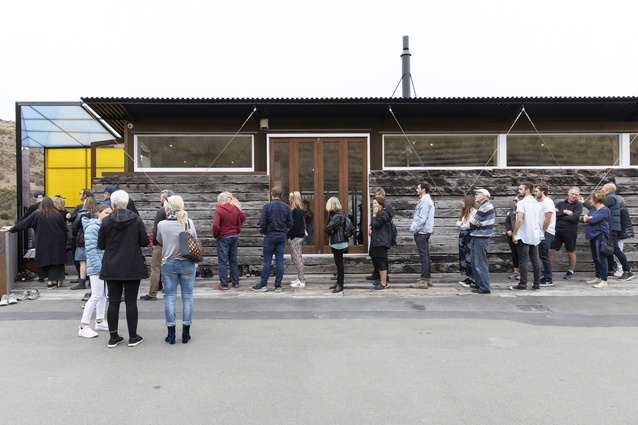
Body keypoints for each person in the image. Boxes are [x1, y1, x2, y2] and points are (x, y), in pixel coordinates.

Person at [98, 190, 149, 348]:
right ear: (127, 203)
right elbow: (144, 242)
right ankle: (133, 336)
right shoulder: (136, 220)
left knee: (113, 302)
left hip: (112, 265)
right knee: (131, 302)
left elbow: (101, 245)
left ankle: (113, 337)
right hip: (132, 265)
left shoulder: (106, 221)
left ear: (112, 204)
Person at [156, 195, 197, 344]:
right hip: (188, 263)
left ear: (168, 207)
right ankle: (186, 333)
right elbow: (195, 239)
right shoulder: (189, 222)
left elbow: (159, 240)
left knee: (170, 298)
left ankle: (171, 333)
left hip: (169, 263)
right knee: (187, 297)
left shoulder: (162, 224)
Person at [10, 197, 67, 289]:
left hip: (43, 241)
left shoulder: (37, 213)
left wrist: (13, 229)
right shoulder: (58, 214)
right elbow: (64, 229)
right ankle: (54, 280)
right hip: (57, 242)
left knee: (45, 260)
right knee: (56, 261)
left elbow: (25, 223)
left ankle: (48, 281)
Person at [582, 183, 633, 280]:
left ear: (606, 189)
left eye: (602, 188)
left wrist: (584, 202)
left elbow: (597, 206)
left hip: (611, 228)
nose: (601, 189)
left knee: (615, 250)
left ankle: (627, 270)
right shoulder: (612, 198)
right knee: (608, 250)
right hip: (610, 227)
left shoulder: (611, 198)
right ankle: (610, 270)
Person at [77, 205, 112, 338]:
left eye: (110, 213)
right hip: (97, 266)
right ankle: (83, 325)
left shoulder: (103, 227)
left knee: (103, 294)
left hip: (103, 265)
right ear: (99, 213)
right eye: (106, 213)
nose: (108, 215)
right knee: (96, 295)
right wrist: (99, 268)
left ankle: (100, 320)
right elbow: (91, 250)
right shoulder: (93, 227)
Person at [252, 186, 293, 293]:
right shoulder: (286, 207)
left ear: (272, 194)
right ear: (281, 195)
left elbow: (262, 222)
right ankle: (278, 285)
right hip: (281, 236)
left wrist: (264, 231)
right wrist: (284, 230)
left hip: (269, 235)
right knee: (279, 260)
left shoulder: (267, 206)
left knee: (267, 260)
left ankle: (263, 284)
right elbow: (290, 223)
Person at [140, 189, 174, 301]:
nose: (160, 199)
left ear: (165, 198)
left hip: (161, 243)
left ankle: (152, 293)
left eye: (161, 198)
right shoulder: (179, 210)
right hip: (174, 244)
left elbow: (156, 228)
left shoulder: (161, 211)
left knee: (155, 268)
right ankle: (169, 291)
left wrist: (154, 242)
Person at [510, 182, 542, 291]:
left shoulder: (522, 203)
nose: (519, 191)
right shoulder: (537, 203)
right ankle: (536, 283)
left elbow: (519, 219)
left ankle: (523, 283)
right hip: (534, 234)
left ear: (527, 190)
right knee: (535, 260)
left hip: (524, 234)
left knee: (523, 260)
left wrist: (514, 234)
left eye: (521, 189)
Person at [549, 187, 583, 280]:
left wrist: (560, 215)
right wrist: (564, 212)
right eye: (572, 194)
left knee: (570, 251)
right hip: (557, 230)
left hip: (570, 231)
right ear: (568, 193)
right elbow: (553, 214)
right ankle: (549, 270)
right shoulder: (560, 204)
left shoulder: (579, 205)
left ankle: (570, 271)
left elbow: (574, 218)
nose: (574, 196)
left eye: (576, 195)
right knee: (551, 250)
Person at [212, 191, 244, 291]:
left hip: (223, 237)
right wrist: (237, 231)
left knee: (223, 261)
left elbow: (215, 225)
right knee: (233, 260)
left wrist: (215, 235)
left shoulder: (219, 210)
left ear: (219, 200)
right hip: (234, 236)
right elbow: (239, 222)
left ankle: (224, 284)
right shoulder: (234, 208)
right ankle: (236, 282)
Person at [580, 191, 611, 288]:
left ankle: (604, 279)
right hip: (593, 236)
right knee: (596, 258)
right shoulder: (594, 210)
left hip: (600, 236)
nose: (590, 201)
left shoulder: (604, 210)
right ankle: (598, 277)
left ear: (596, 200)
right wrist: (588, 217)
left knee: (601, 258)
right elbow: (584, 219)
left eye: (591, 199)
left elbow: (593, 220)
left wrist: (589, 218)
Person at [468, 188, 495, 294]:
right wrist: (476, 223)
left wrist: (476, 223)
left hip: (481, 237)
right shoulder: (484, 207)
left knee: (480, 263)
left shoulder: (485, 207)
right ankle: (480, 284)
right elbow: (474, 222)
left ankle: (484, 286)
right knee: (476, 262)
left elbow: (472, 221)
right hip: (478, 235)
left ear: (483, 196)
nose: (475, 196)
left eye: (477, 194)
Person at [409, 182, 435, 289]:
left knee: (423, 256)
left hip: (421, 232)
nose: (416, 189)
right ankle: (427, 278)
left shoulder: (425, 201)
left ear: (423, 189)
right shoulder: (427, 201)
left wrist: (413, 228)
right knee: (426, 255)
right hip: (425, 231)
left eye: (418, 188)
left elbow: (422, 219)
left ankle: (424, 280)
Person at [366, 187, 394, 284]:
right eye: (375, 195)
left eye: (379, 195)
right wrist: (370, 227)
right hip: (376, 235)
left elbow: (384, 221)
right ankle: (377, 273)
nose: (376, 197)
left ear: (383, 196)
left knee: (382, 257)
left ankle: (384, 278)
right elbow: (374, 221)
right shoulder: (376, 207)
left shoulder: (386, 207)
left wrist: (375, 220)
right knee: (373, 254)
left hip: (382, 235)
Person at [70, 195, 98, 291]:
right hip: (95, 238)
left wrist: (76, 235)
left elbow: (75, 226)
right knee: (93, 259)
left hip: (82, 238)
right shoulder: (97, 213)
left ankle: (82, 282)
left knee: (83, 262)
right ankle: (92, 281)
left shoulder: (82, 212)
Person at [325, 197, 349, 293]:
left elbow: (328, 228)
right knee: (338, 264)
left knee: (339, 264)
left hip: (338, 242)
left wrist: (329, 230)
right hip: (338, 241)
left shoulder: (337, 216)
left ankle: (340, 284)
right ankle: (338, 283)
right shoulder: (337, 215)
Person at [534, 184, 556, 286]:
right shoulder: (540, 202)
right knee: (542, 254)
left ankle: (548, 278)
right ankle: (546, 275)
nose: (535, 193)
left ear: (542, 191)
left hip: (546, 231)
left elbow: (548, 218)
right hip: (542, 231)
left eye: (537, 191)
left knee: (544, 254)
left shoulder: (547, 202)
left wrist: (542, 231)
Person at [288, 191, 307, 288]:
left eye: (291, 197)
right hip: (299, 236)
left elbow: (295, 226)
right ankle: (299, 277)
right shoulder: (300, 210)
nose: (289, 199)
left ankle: (301, 279)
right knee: (297, 257)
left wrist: (290, 236)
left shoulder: (296, 211)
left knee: (297, 258)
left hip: (296, 237)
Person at [457, 194, 476, 287]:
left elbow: (467, 225)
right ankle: (469, 276)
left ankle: (473, 277)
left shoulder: (474, 212)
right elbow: (458, 223)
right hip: (463, 236)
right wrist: (462, 224)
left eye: (463, 201)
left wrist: (462, 224)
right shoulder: (465, 212)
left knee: (470, 255)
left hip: (469, 235)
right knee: (463, 255)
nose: (462, 203)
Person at [505, 195, 524, 281]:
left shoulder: (523, 211)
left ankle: (522, 272)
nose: (514, 202)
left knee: (522, 254)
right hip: (511, 234)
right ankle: (516, 271)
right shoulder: (511, 211)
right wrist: (508, 230)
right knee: (514, 253)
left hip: (520, 235)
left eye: (516, 201)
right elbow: (507, 221)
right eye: (514, 200)